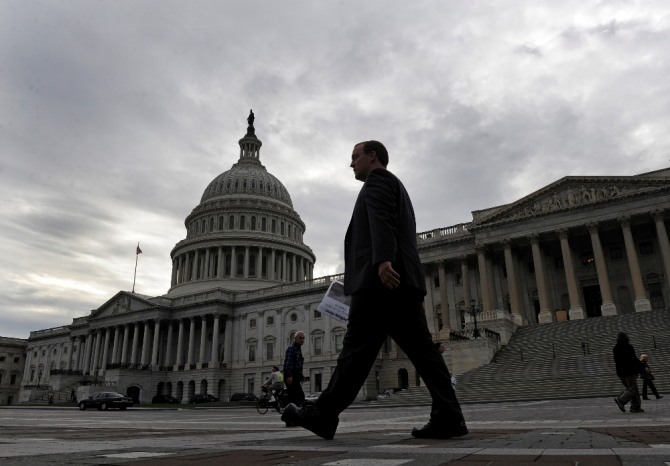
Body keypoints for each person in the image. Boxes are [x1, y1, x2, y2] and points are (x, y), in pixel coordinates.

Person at [282, 140, 468, 440]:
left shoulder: (378, 181)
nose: (351, 163)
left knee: (355, 352)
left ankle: (323, 414)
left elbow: (382, 221)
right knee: (422, 353)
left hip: (379, 282)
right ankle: (449, 415)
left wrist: (382, 260)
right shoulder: (397, 186)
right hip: (400, 283)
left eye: (355, 157)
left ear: (372, 156)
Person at [613, 331, 645, 413]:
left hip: (620, 372)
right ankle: (621, 399)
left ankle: (635, 407)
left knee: (632, 389)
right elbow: (633, 359)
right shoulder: (629, 347)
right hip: (629, 371)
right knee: (633, 389)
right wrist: (642, 367)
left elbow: (616, 361)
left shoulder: (615, 348)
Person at [283, 331, 306, 410]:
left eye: (303, 338)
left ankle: (295, 412)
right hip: (291, 375)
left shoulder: (298, 350)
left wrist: (301, 376)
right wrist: (289, 376)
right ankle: (291, 414)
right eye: (300, 338)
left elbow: (299, 364)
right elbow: (288, 363)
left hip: (296, 375)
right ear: (295, 338)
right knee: (294, 396)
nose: (302, 340)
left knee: (299, 396)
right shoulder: (291, 348)